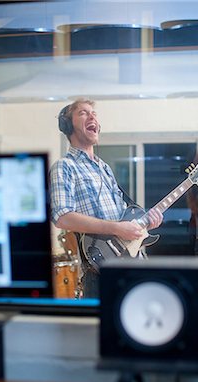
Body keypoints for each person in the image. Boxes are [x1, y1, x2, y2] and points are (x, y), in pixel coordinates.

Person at [49, 98, 163, 298]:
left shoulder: (104, 168)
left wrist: (143, 225)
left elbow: (122, 217)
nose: (92, 115)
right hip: (99, 272)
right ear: (68, 125)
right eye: (83, 112)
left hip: (133, 264)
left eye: (94, 113)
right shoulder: (64, 167)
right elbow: (62, 217)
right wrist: (116, 228)